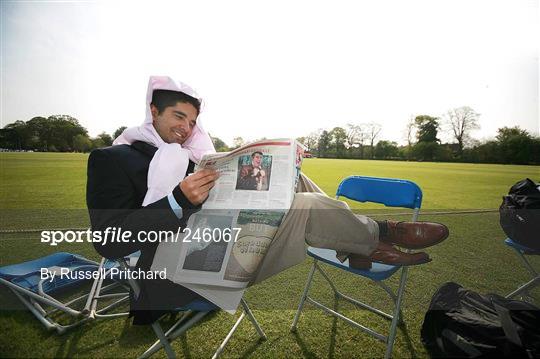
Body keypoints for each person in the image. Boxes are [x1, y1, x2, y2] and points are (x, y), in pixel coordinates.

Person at [86, 76, 448, 324]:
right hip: (171, 273)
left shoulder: (195, 155)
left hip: (217, 240)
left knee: (296, 179)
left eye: (193, 120)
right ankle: (381, 234)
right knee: (304, 209)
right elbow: (108, 242)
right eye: (178, 116)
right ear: (153, 111)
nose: (187, 127)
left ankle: (361, 243)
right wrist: (177, 201)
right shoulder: (112, 159)